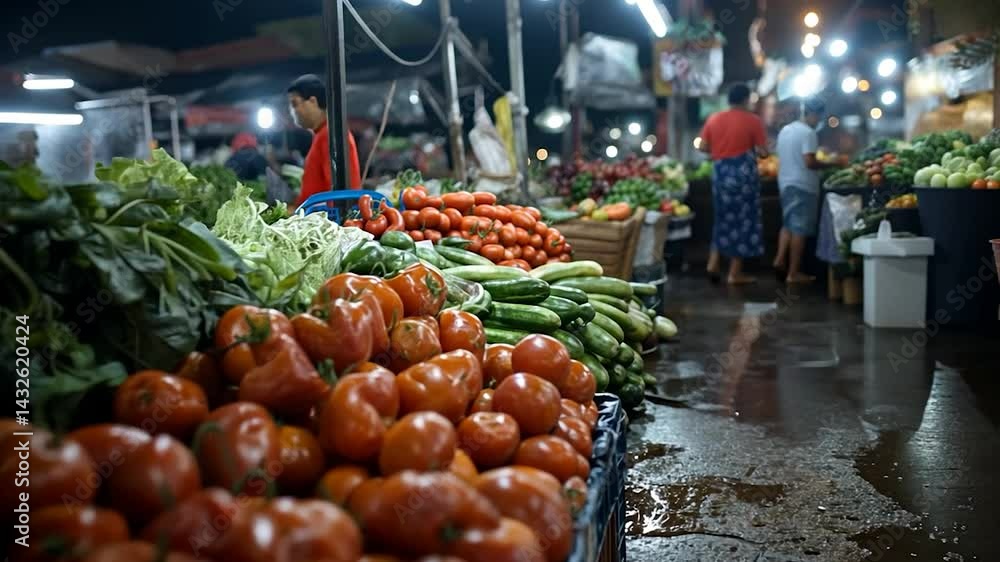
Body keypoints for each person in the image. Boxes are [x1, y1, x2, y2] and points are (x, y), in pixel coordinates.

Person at [698, 83, 769, 285]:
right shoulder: (753, 120)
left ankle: (713, 264)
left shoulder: (714, 118)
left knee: (722, 218)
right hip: (743, 177)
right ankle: (734, 273)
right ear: (746, 99)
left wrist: (720, 149)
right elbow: (763, 152)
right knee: (743, 220)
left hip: (720, 174)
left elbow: (703, 146)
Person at [773, 98, 844, 283]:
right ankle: (793, 273)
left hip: (784, 183)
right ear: (814, 115)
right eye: (819, 117)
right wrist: (833, 162)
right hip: (803, 185)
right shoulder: (808, 133)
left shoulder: (785, 131)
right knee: (800, 229)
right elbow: (809, 162)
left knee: (788, 224)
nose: (819, 121)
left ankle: (780, 260)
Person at [286, 74, 362, 207]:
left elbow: (337, 194)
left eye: (294, 104)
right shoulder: (322, 134)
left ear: (312, 102)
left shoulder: (329, 135)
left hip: (330, 220)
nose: (293, 111)